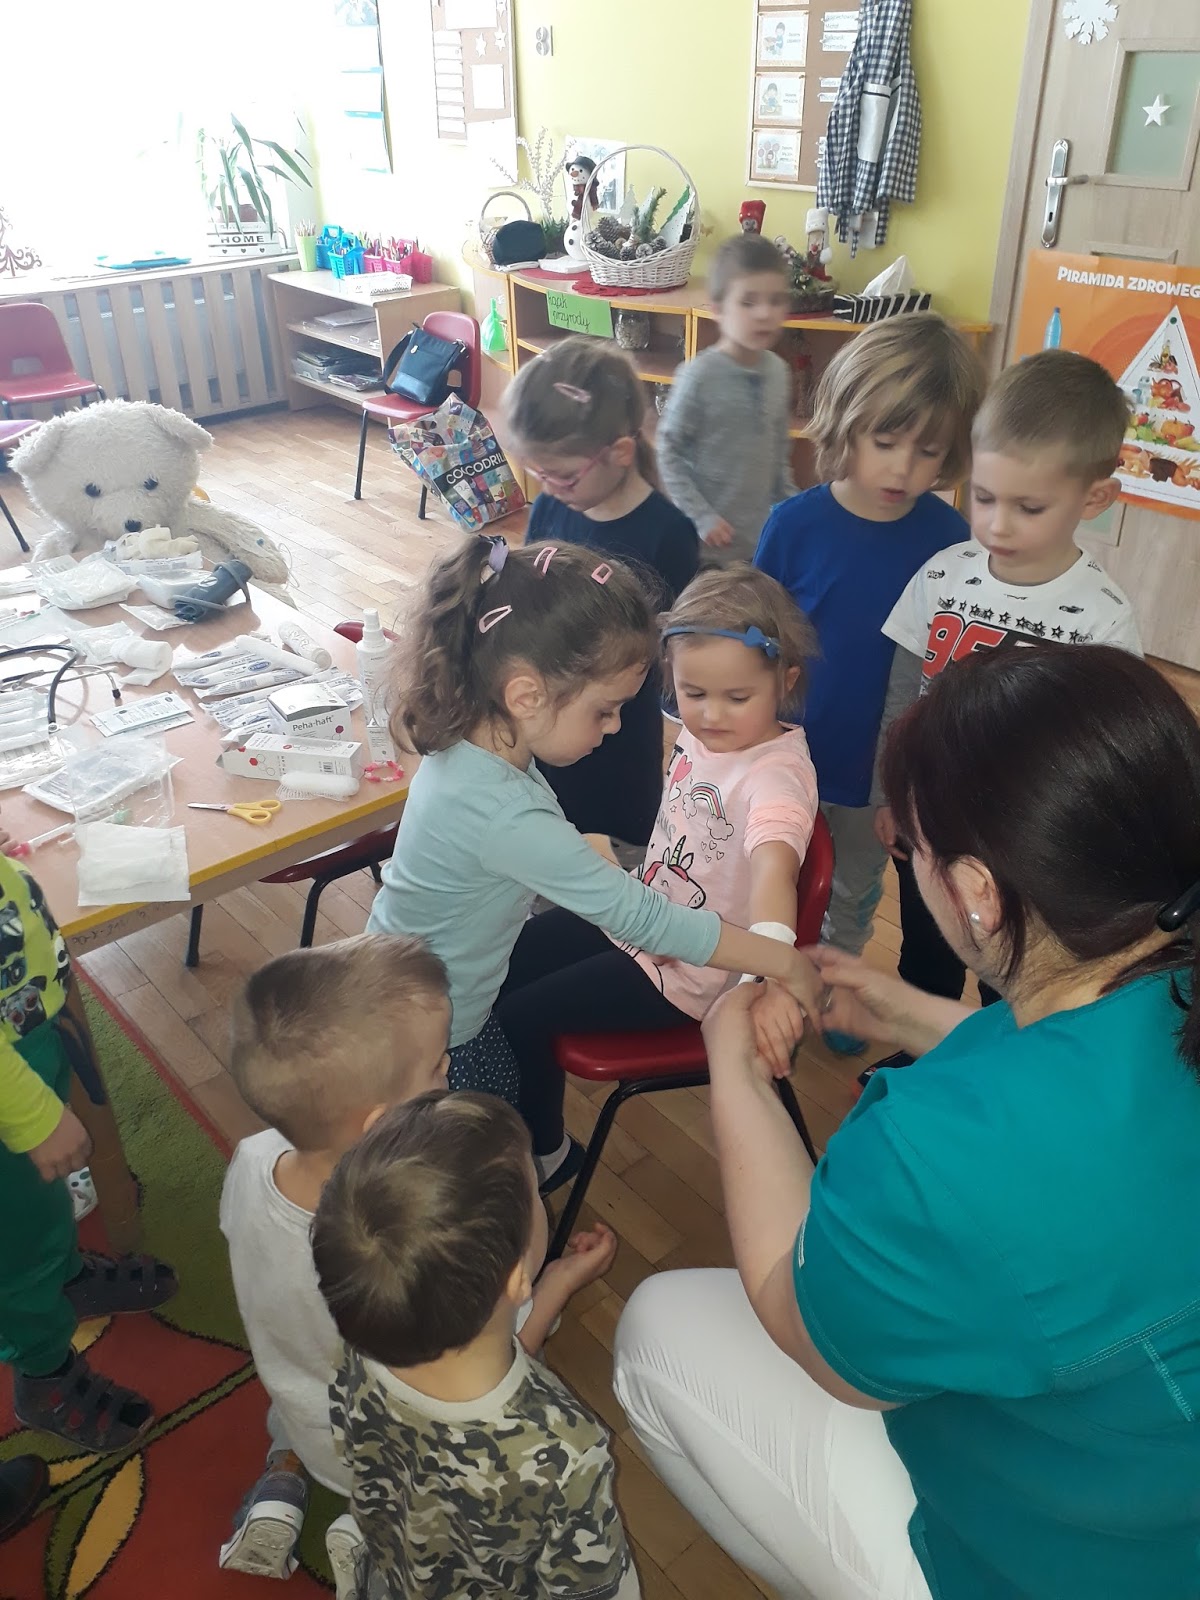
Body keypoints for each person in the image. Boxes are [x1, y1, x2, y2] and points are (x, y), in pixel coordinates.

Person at [613, 644, 1200, 1600]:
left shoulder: (941, 1152)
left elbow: (807, 1328)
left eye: (911, 849)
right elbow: (1103, 1087)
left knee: (655, 1330)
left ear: (975, 892)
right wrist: (918, 1015)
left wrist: (732, 1059)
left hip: (1077, 1569)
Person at [365, 536, 825, 1189]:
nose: (614, 729)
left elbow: (688, 897)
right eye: (605, 711)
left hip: (443, 983)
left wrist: (777, 960)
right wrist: (784, 961)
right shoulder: (505, 808)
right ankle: (528, 1171)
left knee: (518, 1009)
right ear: (526, 696)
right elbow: (633, 910)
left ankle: (543, 1157)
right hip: (439, 1017)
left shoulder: (471, 741)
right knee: (482, 1121)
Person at [218, 933, 594, 1589]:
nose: (449, 1071)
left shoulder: (252, 1161)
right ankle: (370, 1532)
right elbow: (486, 1382)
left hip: (305, 1412)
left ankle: (284, 1482)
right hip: (397, 1456)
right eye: (437, 1068)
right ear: (379, 1124)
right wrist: (555, 1282)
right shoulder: (415, 1249)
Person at [496, 565, 819, 1162]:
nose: (711, 715)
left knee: (519, 1018)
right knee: (500, 962)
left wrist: (772, 976)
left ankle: (545, 1156)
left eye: (737, 698)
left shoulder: (776, 780)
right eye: (693, 694)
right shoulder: (708, 735)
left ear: (786, 680)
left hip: (694, 973)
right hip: (643, 916)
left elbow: (775, 878)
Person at [877, 348, 1142, 1007]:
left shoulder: (1102, 617)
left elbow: (1103, 747)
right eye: (985, 497)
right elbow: (903, 692)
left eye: (1028, 507)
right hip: (931, 811)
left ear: (1095, 498)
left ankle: (997, 1059)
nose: (997, 524)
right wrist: (891, 793)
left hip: (1023, 833)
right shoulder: (943, 573)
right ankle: (928, 1053)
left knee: (1012, 975)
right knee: (927, 952)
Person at [754, 313, 984, 1046]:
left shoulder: (950, 540)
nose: (904, 470)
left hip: (879, 767)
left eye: (928, 451)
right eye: (885, 442)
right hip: (785, 750)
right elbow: (756, 638)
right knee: (771, 874)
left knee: (854, 889)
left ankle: (834, 987)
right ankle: (767, 981)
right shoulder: (793, 525)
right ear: (845, 423)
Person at [312, 1090, 638, 1600]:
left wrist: (554, 1287)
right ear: (515, 1279)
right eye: (536, 1193)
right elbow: (590, 1589)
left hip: (401, 1563)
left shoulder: (358, 1345)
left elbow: (464, 1399)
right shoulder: (566, 1449)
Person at [0, 840, 177, 1456]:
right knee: (13, 1247)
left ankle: (66, 1277)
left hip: (21, 1035)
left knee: (40, 1204)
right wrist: (29, 1114)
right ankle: (43, 1374)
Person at [505, 337, 699, 849]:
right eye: (539, 473)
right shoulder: (553, 507)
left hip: (617, 735)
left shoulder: (668, 533)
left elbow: (670, 648)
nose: (549, 488)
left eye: (563, 475)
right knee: (549, 839)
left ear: (620, 453)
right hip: (546, 724)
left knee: (615, 855)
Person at [658, 233, 796, 563]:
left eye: (776, 300)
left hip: (760, 543)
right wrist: (701, 516)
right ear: (719, 309)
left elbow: (779, 456)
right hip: (706, 549)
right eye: (748, 302)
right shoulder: (698, 376)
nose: (764, 314)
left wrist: (792, 510)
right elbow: (668, 451)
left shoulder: (779, 372)